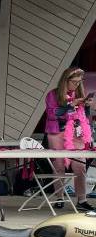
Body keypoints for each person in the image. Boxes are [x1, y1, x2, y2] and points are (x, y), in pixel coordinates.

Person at [45, 67, 94, 210]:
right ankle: (59, 197)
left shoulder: (79, 93)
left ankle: (82, 200)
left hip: (75, 134)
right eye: (74, 82)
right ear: (65, 80)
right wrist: (70, 105)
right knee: (59, 166)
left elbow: (84, 117)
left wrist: (86, 106)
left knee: (80, 166)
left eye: (79, 82)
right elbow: (51, 114)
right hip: (57, 133)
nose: (77, 85)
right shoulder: (53, 94)